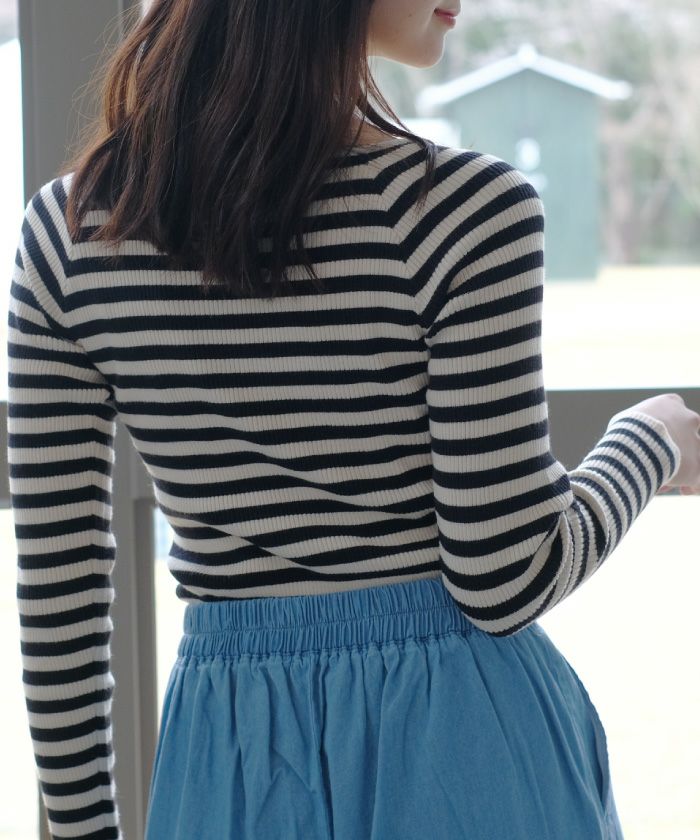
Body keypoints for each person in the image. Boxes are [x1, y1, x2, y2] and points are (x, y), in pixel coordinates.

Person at [6, 1, 700, 839]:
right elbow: (507, 572)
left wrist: (82, 830)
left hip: (233, 748)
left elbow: (60, 589)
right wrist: (650, 441)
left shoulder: (69, 234)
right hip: (466, 741)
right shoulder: (461, 210)